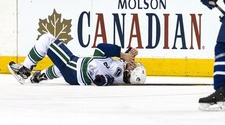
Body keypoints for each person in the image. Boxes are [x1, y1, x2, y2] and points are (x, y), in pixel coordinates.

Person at [8, 33, 147, 85]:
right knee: (58, 68)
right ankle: (39, 77)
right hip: (74, 75)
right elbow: (113, 67)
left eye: (134, 68)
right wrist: (129, 54)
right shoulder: (120, 73)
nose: (134, 65)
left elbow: (100, 49)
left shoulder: (117, 70)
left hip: (73, 66)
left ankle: (24, 70)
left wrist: (123, 55)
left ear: (129, 74)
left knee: (47, 39)